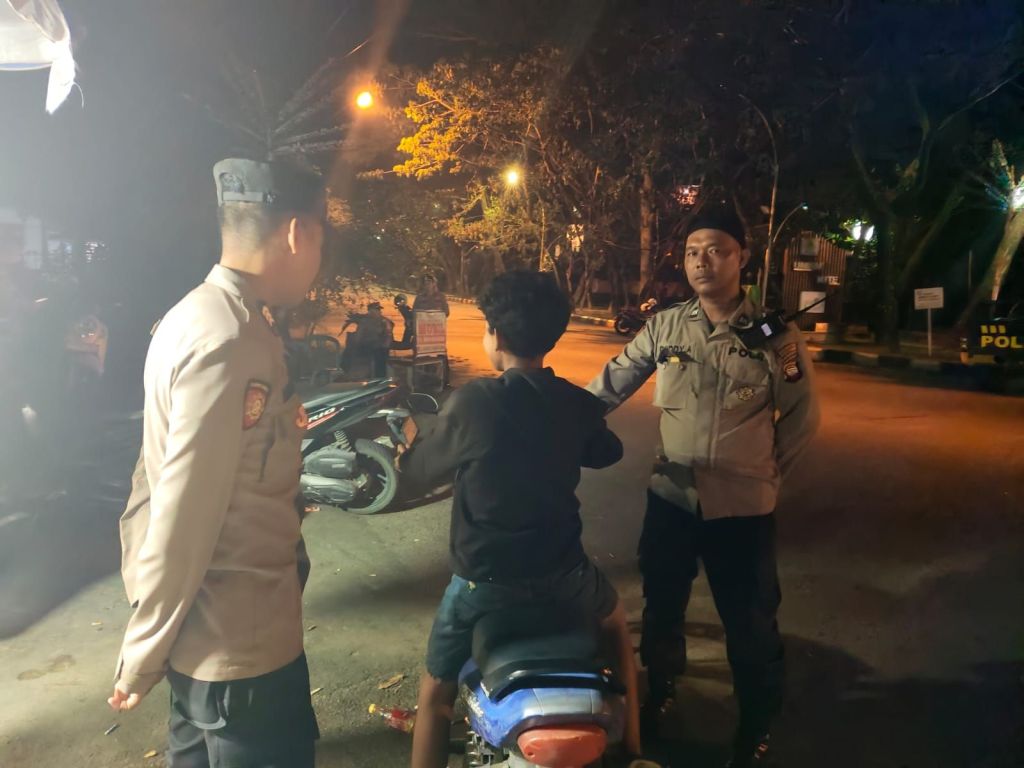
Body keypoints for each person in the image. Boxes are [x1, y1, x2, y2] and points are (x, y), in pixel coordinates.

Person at [108, 158, 326, 768]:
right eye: (320, 240)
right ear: (296, 234)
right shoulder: (230, 340)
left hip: (212, 651)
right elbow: (183, 512)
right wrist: (142, 652)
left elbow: (153, 473)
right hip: (242, 654)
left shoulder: (195, 315)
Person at [586, 203, 820, 768]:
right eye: (693, 252)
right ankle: (662, 689)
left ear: (742, 257)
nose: (701, 262)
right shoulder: (666, 326)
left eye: (715, 250)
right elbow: (612, 382)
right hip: (671, 498)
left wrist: (764, 474)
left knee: (750, 622)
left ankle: (755, 724)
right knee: (663, 604)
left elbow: (802, 417)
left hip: (742, 509)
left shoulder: (774, 336)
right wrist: (555, 414)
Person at [400, 271, 646, 768]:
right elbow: (608, 451)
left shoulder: (474, 402)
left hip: (482, 583)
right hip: (565, 575)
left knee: (436, 694)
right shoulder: (573, 401)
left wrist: (410, 440)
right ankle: (636, 750)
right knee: (616, 623)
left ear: (495, 335)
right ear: (551, 336)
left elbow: (417, 473)